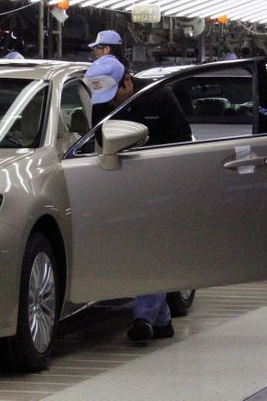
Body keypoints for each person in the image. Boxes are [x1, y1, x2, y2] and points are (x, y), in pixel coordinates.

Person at [86, 55, 192, 341]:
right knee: (135, 251)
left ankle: (143, 317)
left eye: (113, 95)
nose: (109, 103)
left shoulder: (160, 97)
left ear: (128, 81)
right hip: (121, 186)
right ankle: (161, 321)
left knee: (153, 248)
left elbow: (184, 142)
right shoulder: (101, 105)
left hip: (161, 185)